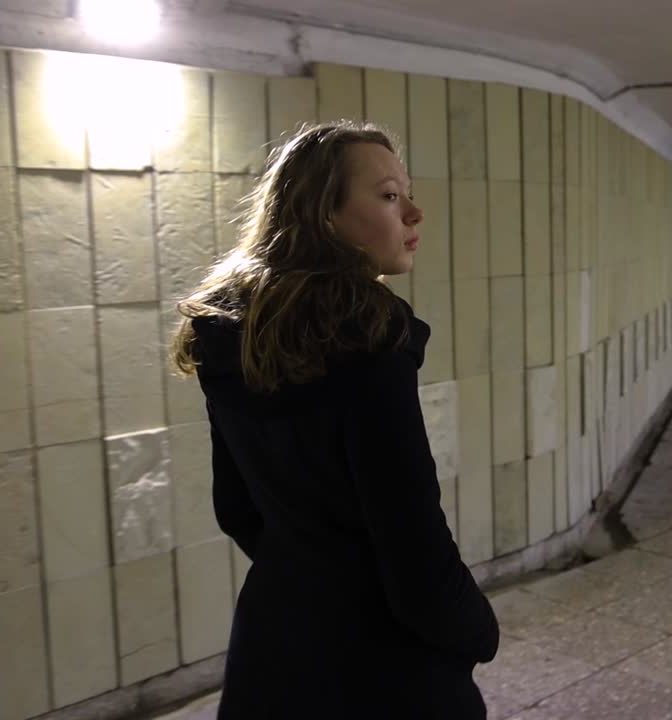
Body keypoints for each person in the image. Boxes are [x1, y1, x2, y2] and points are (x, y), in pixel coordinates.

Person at [170, 121, 500, 718]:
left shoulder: (231, 331)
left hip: (275, 644)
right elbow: (409, 534)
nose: (415, 213)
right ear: (325, 215)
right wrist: (475, 628)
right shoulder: (368, 336)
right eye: (390, 195)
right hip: (382, 664)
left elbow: (236, 506)